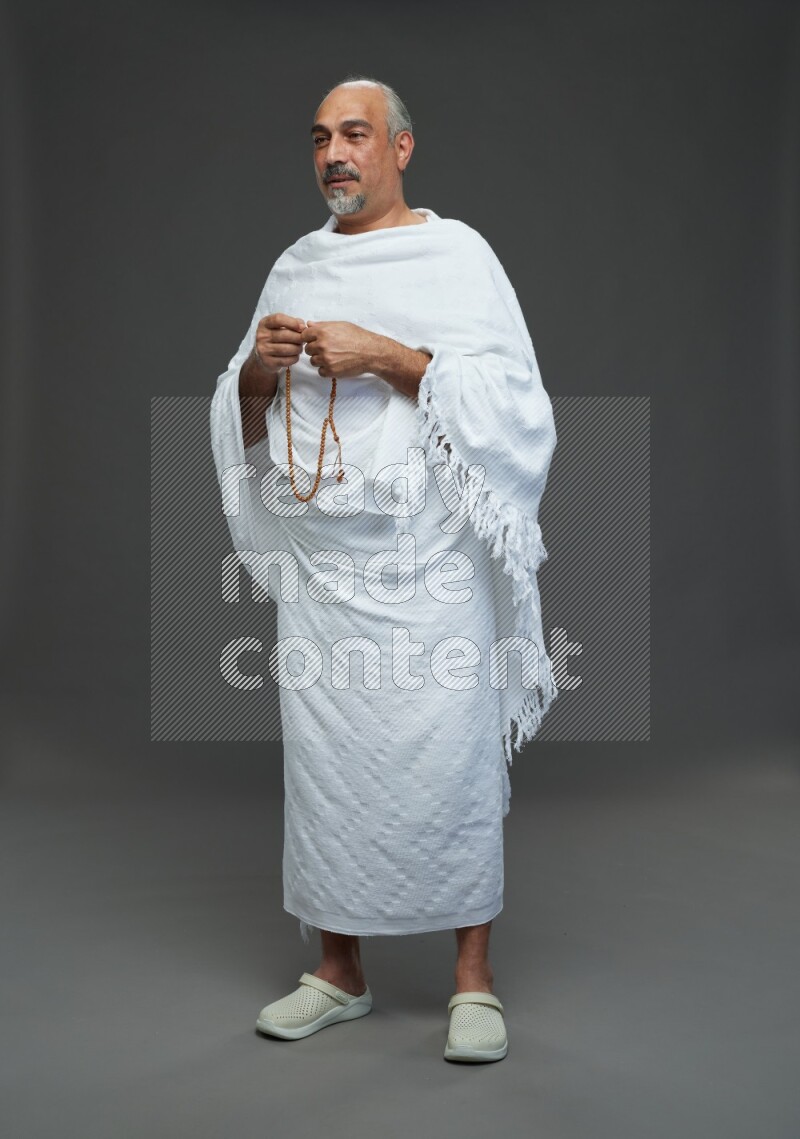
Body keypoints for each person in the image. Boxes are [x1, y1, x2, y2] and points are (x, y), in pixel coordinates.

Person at [209, 74, 558, 1063]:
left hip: (430, 562)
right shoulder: (293, 265)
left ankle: (471, 977)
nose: (334, 154)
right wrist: (257, 373)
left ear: (399, 148)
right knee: (330, 768)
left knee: (447, 759)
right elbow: (240, 422)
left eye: (354, 134)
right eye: (320, 137)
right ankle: (338, 970)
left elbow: (516, 405)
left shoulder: (458, 256)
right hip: (326, 571)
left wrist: (393, 356)